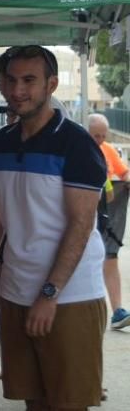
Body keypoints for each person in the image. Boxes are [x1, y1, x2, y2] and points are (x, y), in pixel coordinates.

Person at [0, 45, 107, 410]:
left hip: (69, 298)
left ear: (51, 85)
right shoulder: (0, 143)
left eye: (29, 80)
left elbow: (80, 225)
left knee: (67, 404)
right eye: (11, 80)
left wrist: (49, 294)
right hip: (14, 293)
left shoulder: (77, 144)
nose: (17, 90)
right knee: (33, 402)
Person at [87, 112, 130, 329]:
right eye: (95, 136)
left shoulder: (108, 149)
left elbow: (124, 174)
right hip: (83, 224)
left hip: (106, 219)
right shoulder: (78, 151)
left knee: (110, 258)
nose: (100, 140)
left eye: (103, 136)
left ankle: (117, 311)